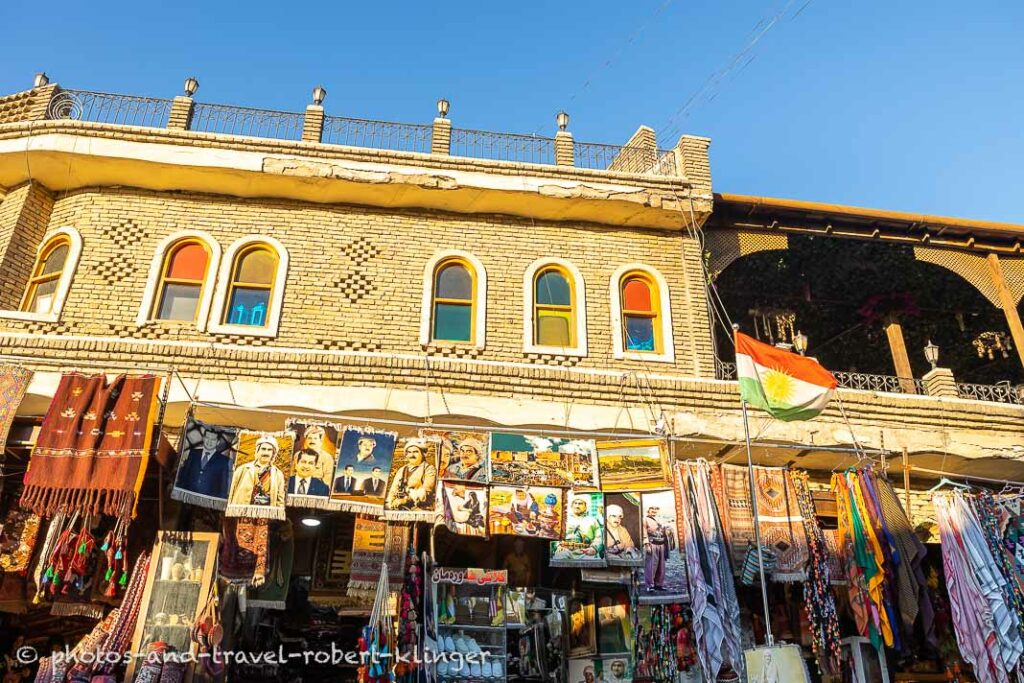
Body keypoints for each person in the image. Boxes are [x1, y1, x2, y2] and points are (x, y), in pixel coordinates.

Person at [228, 436, 286, 509]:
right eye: (263, 449)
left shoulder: (278, 474)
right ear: (257, 451)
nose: (266, 452)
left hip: (265, 515)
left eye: (269, 450)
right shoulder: (242, 469)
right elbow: (231, 493)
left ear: (273, 453)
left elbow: (280, 501)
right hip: (242, 513)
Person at [175, 428, 233, 498]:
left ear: (217, 442)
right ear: (203, 439)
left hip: (207, 503)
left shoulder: (223, 461)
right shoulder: (193, 453)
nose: (209, 442)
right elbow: (184, 475)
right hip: (186, 498)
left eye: (213, 440)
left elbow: (223, 486)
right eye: (207, 438)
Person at [386, 439, 437, 510]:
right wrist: (390, 504)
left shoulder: (429, 469)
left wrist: (407, 499)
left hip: (421, 508)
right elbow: (393, 491)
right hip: (400, 507)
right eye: (409, 452)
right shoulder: (402, 470)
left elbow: (426, 491)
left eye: (415, 452)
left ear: (423, 454)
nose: (412, 455)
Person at [643, 504, 674, 591]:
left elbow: (666, 530)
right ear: (648, 510)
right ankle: (650, 585)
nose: (654, 510)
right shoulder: (645, 519)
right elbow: (643, 532)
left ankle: (659, 584)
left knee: (661, 565)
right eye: (652, 509)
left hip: (662, 544)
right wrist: (646, 544)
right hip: (652, 544)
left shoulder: (661, 519)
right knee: (651, 565)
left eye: (656, 509)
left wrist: (668, 530)